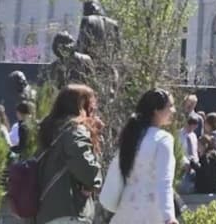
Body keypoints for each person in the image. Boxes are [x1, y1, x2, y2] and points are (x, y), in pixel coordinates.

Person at [100, 88, 178, 224]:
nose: (173, 110)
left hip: (125, 211)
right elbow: (164, 181)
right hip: (151, 213)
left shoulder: (132, 136)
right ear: (156, 110)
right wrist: (169, 216)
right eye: (170, 106)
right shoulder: (163, 139)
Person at [36, 84, 104, 224]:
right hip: (70, 209)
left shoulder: (48, 128)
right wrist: (92, 184)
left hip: (46, 210)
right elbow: (85, 166)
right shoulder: (75, 130)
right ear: (83, 105)